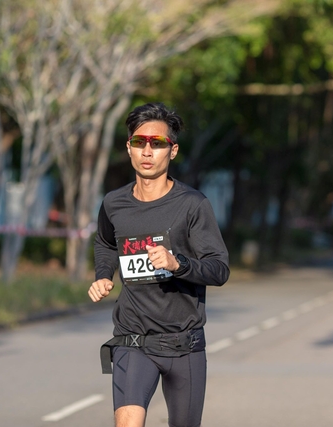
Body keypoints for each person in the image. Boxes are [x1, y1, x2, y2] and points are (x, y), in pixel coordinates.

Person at [88, 102, 230, 427]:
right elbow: (106, 243)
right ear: (129, 147)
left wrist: (178, 264)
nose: (148, 151)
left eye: (158, 143)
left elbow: (219, 268)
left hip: (184, 344)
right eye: (139, 142)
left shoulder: (193, 205)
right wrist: (104, 275)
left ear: (173, 150)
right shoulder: (113, 203)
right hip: (133, 340)